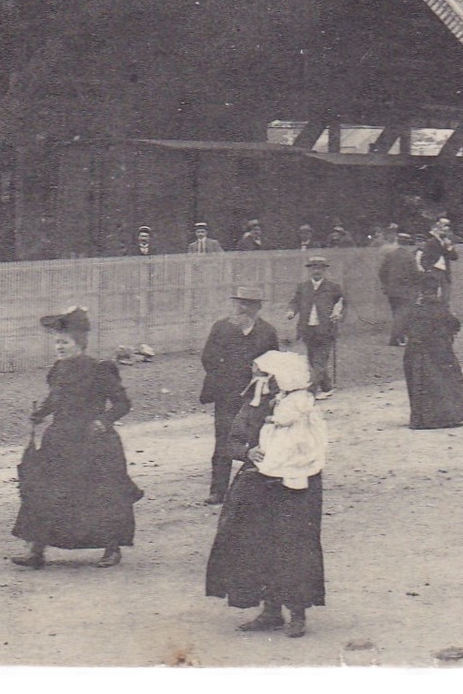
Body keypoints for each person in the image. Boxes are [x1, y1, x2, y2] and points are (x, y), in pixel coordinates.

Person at [205, 351, 327, 639]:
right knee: (257, 544)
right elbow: (231, 440)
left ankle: (297, 612)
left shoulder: (304, 409)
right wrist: (246, 452)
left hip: (296, 487)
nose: (260, 380)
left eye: (265, 375)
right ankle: (270, 610)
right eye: (258, 375)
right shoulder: (253, 405)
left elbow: (313, 447)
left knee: (293, 545)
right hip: (258, 482)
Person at [12, 308, 144, 569]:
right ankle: (35, 550)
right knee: (44, 491)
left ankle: (111, 548)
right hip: (59, 441)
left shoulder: (100, 369)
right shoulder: (58, 370)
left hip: (93, 442)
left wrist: (102, 422)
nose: (59, 347)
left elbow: (122, 404)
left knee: (100, 495)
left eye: (65, 342)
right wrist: (41, 413)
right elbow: (55, 398)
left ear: (79, 344)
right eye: (57, 342)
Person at [200, 288, 281, 504]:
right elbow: (208, 358)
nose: (242, 308)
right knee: (224, 440)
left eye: (249, 304)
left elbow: (275, 363)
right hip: (226, 395)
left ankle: (254, 489)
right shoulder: (221, 328)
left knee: (256, 440)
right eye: (239, 303)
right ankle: (218, 490)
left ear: (258, 307)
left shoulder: (267, 332)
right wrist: (224, 379)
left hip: (256, 396)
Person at [401, 290, 463, 429]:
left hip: (417, 352)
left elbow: (404, 328)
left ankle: (422, 418)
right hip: (440, 350)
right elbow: (455, 324)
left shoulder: (414, 311)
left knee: (420, 384)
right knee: (444, 383)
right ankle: (446, 416)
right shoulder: (441, 310)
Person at [288, 257, 344, 399]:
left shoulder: (333, 287)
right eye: (314, 268)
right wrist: (291, 311)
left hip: (326, 329)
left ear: (324, 270)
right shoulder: (303, 287)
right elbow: (295, 302)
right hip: (307, 329)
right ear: (309, 270)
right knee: (313, 360)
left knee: (319, 361)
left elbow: (341, 303)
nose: (317, 271)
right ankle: (327, 387)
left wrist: (338, 313)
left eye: (320, 268)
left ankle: (310, 392)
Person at [378, 231, 420, 346]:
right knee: (402, 315)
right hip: (406, 290)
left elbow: (382, 272)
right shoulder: (410, 257)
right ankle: (394, 339)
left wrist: (386, 284)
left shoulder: (390, 255)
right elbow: (415, 274)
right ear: (407, 244)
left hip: (392, 291)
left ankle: (401, 337)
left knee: (397, 314)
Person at [417, 216, 459, 300]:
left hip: (445, 272)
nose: (445, 229)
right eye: (443, 227)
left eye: (447, 227)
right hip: (434, 271)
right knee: (432, 296)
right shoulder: (431, 242)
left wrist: (449, 247)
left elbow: (454, 257)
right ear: (437, 228)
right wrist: (429, 270)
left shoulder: (447, 242)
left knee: (445, 295)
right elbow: (424, 258)